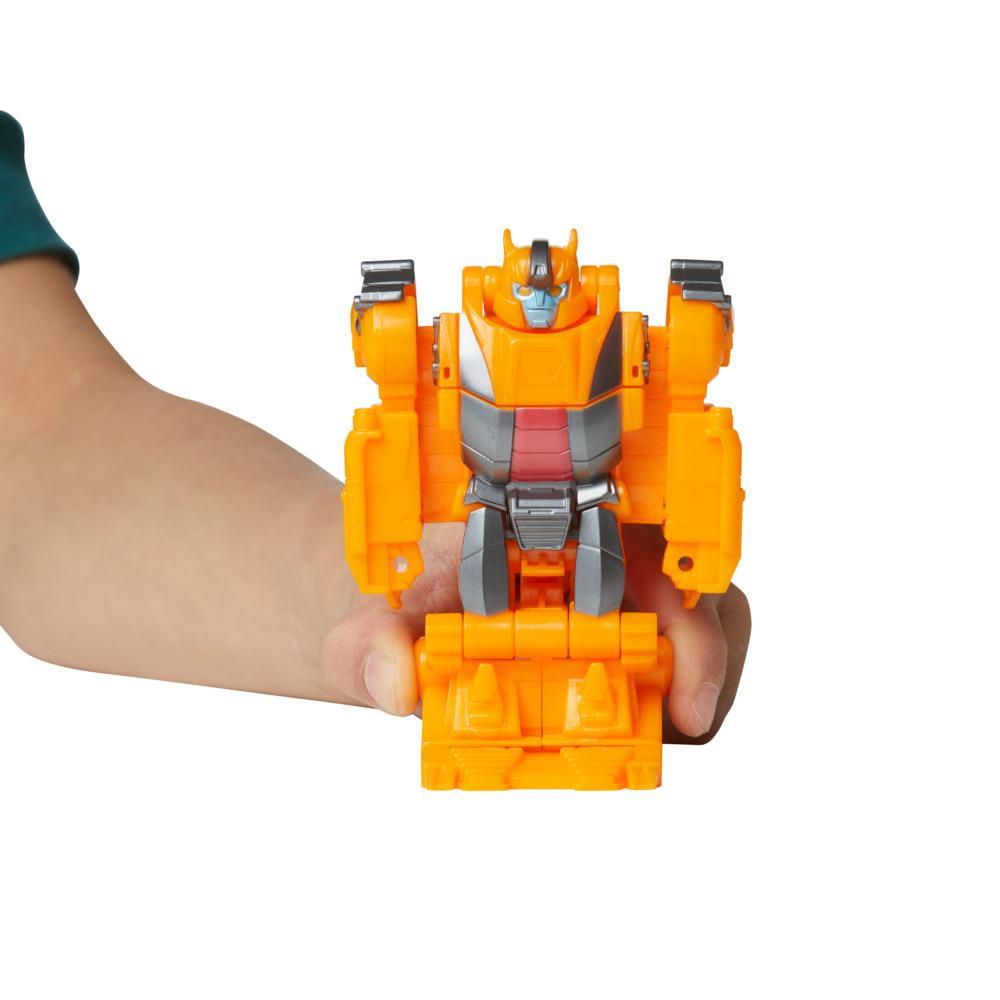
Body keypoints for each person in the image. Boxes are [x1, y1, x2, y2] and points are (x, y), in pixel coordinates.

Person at [0, 111, 750, 743]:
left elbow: (42, 439)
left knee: (573, 582)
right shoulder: (462, 354)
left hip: (583, 504)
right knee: (494, 574)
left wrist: (356, 594)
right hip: (494, 500)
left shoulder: (618, 354)